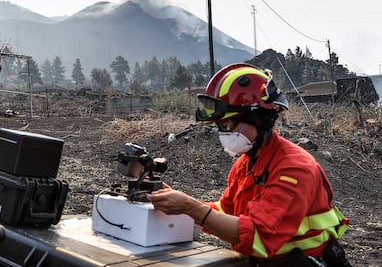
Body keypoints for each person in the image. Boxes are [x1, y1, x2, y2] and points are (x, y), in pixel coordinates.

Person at [147, 63, 351, 267]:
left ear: (258, 119)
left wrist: (191, 208)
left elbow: (258, 238)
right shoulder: (245, 164)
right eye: (220, 127)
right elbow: (225, 212)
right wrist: (179, 204)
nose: (224, 134)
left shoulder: (294, 169)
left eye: (228, 125)